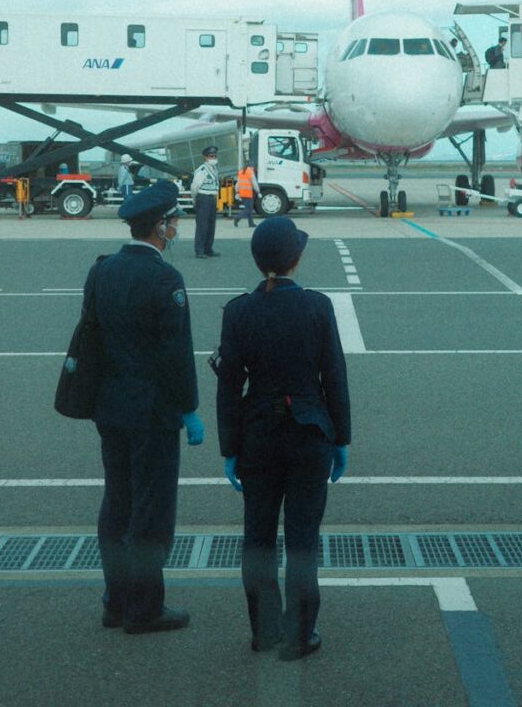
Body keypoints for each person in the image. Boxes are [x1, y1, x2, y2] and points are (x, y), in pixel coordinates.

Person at [216, 217, 351, 660]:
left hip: (258, 435)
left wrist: (229, 447)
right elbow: (334, 376)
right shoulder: (317, 306)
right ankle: (298, 634)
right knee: (302, 539)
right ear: (296, 259)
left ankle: (263, 630)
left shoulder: (238, 311)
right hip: (310, 434)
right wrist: (342, 438)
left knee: (257, 538)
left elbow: (229, 386)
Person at [88, 180, 205, 634]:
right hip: (152, 413)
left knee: (116, 501)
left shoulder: (102, 270)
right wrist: (189, 409)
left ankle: (115, 599)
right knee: (150, 512)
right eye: (174, 221)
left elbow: (91, 339)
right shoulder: (164, 278)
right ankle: (145, 609)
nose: (176, 227)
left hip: (110, 408)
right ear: (160, 227)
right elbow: (176, 354)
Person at [190, 145, 220, 259]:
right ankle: (199, 250)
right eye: (211, 156)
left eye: (215, 156)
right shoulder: (202, 170)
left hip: (212, 198)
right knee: (202, 225)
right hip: (203, 198)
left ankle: (208, 249)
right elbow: (194, 187)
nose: (213, 158)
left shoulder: (214, 169)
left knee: (211, 225)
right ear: (205, 157)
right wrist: (195, 199)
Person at [234, 160, 260, 228]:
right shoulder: (250, 172)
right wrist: (258, 191)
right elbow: (254, 184)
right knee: (248, 209)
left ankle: (251, 223)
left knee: (249, 208)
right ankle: (238, 218)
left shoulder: (241, 172)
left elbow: (238, 183)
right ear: (252, 167)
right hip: (248, 193)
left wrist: (237, 192)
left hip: (242, 193)